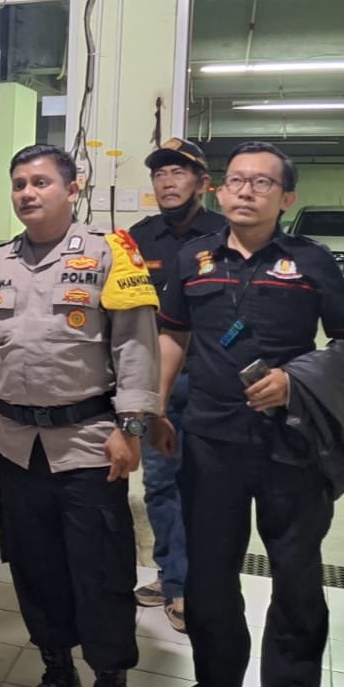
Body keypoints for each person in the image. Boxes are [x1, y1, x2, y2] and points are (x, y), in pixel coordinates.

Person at [151, 141, 344, 687]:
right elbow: (172, 338)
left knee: (296, 569)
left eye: (262, 183)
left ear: (286, 198)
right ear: (218, 190)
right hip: (209, 438)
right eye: (236, 180)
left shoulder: (311, 261)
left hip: (291, 442)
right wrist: (155, 408)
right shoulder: (194, 259)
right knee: (210, 570)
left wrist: (295, 382)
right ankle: (219, 679)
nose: (245, 191)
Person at [0, 144, 160, 687]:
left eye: (40, 182)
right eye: (19, 183)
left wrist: (132, 428)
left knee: (100, 573)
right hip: (18, 446)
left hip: (90, 444)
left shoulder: (111, 254)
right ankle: (58, 676)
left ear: (73, 188)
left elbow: (135, 347)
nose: (27, 193)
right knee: (35, 567)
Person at [126, 137, 227, 633]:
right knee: (161, 483)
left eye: (179, 172)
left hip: (211, 385)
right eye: (160, 173)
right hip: (156, 383)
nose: (167, 181)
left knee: (207, 488)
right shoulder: (139, 238)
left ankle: (200, 583)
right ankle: (175, 579)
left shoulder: (225, 236)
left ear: (202, 183)